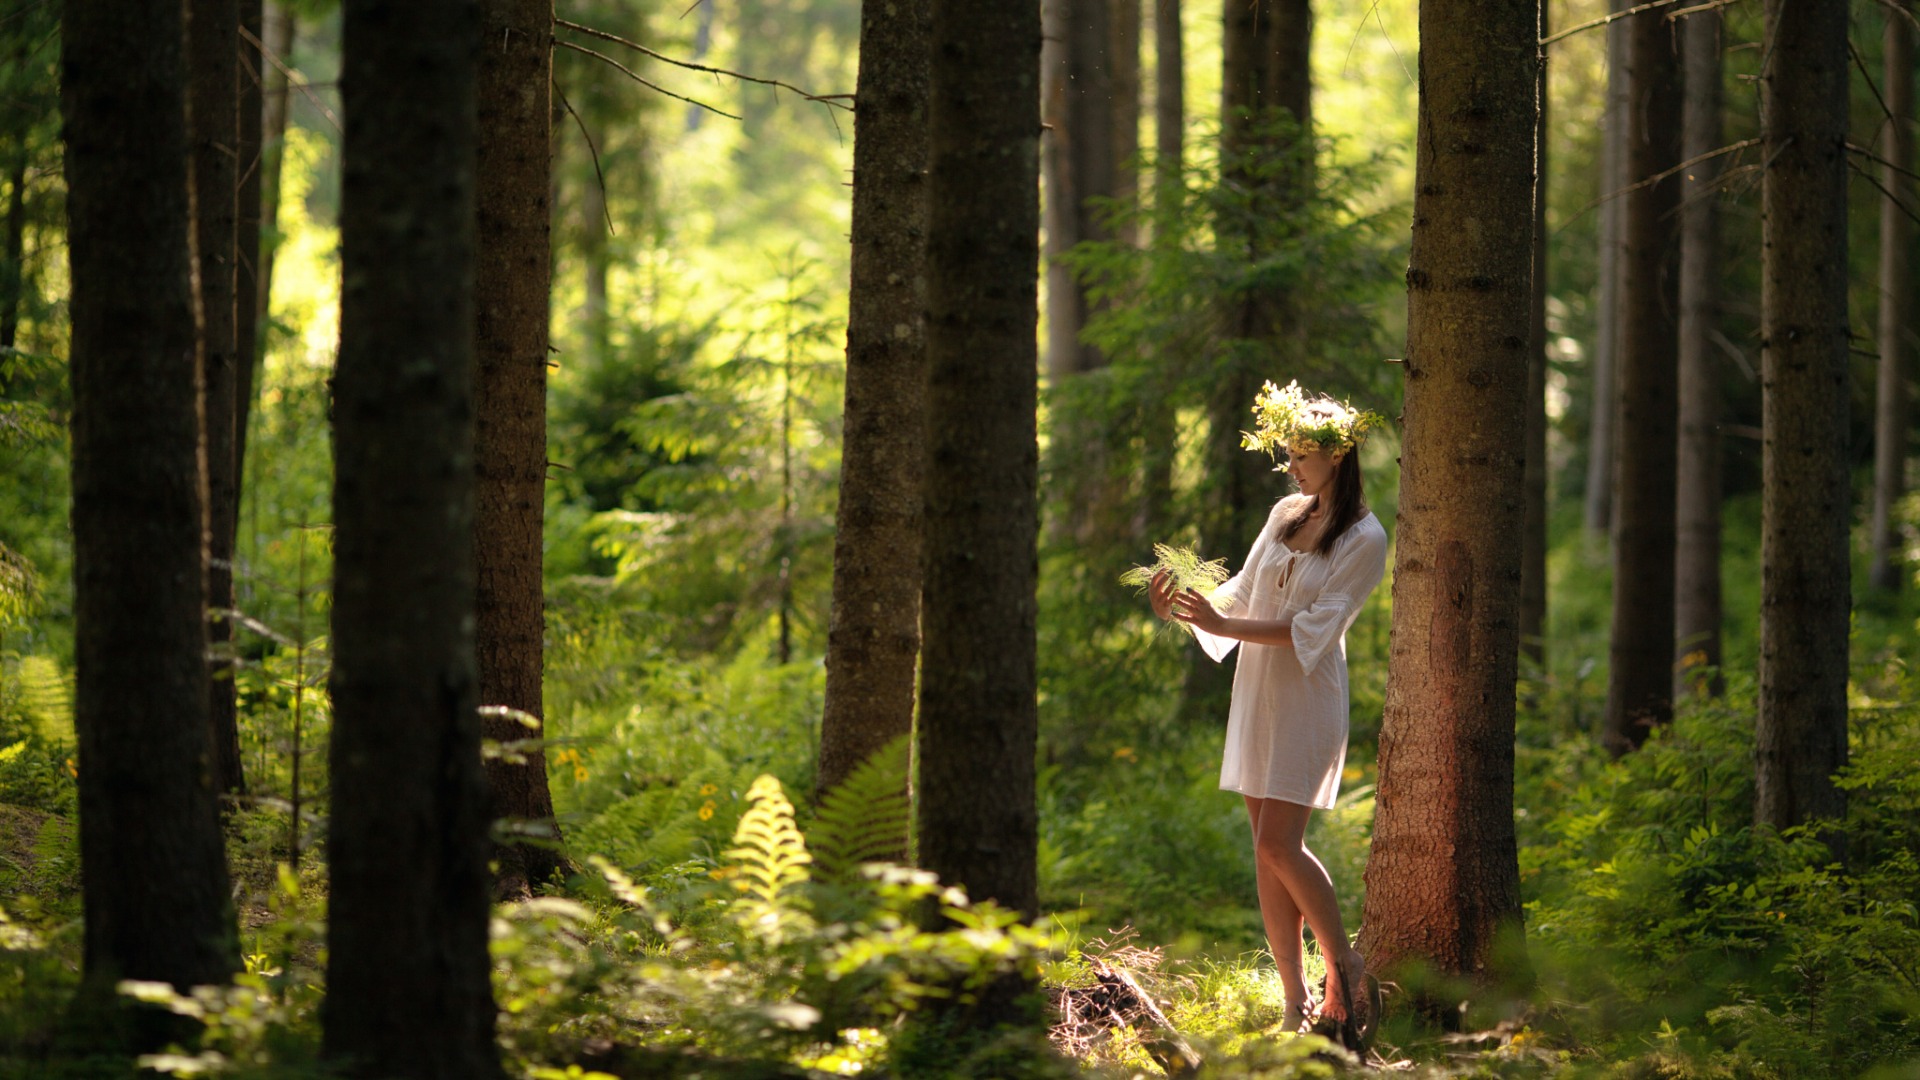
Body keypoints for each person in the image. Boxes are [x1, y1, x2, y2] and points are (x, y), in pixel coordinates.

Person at [1147, 380, 1387, 1047]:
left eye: (1301, 455)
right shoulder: (1286, 511)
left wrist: (1229, 621)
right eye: (1287, 454)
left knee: (1282, 842)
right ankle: (1294, 999)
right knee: (1265, 850)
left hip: (1306, 696)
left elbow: (1315, 627)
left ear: (1338, 456)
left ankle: (1346, 966)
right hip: (1257, 689)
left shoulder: (1365, 537)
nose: (1292, 467)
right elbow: (1244, 593)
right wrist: (1185, 604)